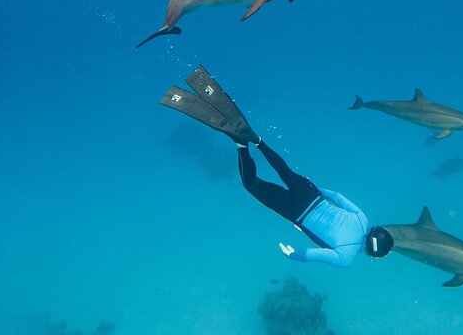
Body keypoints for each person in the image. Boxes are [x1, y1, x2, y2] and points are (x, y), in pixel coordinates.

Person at [160, 65, 394, 267]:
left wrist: (314, 189)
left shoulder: (363, 219)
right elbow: (311, 254)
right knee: (251, 184)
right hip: (297, 212)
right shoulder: (346, 257)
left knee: (284, 170)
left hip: (311, 194)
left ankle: (258, 141)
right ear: (372, 254)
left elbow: (337, 196)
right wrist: (293, 255)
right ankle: (241, 144)